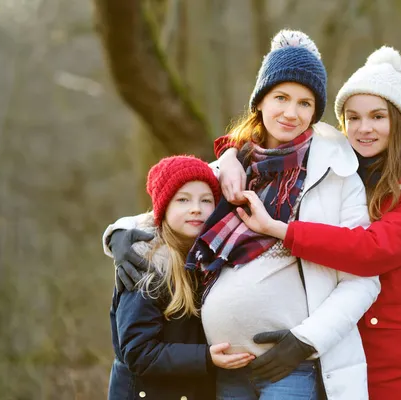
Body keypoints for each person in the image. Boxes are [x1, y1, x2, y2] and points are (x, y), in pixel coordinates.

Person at [105, 30, 381, 400]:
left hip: (291, 364)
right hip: (227, 371)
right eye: (280, 97)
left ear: (316, 111)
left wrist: (304, 341)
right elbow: (171, 207)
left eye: (304, 103)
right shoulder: (232, 167)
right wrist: (120, 236)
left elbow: (363, 279)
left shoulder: (337, 176)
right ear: (260, 102)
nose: (290, 112)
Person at [217, 46, 401, 400]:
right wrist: (230, 154)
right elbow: (269, 142)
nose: (364, 128)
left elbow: (373, 249)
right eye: (353, 118)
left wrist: (280, 230)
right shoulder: (335, 163)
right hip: (338, 343)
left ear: (397, 120)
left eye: (377, 117)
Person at [104, 155, 255, 400]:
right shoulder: (147, 264)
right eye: (183, 200)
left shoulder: (210, 260)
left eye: (206, 200)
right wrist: (206, 357)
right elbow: (138, 352)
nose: (196, 208)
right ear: (163, 208)